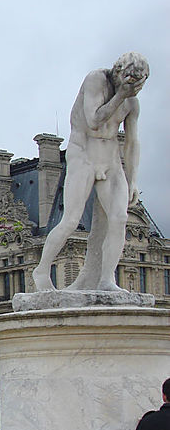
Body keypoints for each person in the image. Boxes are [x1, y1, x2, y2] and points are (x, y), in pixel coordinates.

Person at [32, 52, 149, 292]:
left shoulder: (131, 102)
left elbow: (132, 142)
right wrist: (121, 95)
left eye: (140, 84)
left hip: (111, 159)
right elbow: (94, 121)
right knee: (70, 221)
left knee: (119, 218)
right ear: (119, 73)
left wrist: (133, 179)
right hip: (83, 155)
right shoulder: (96, 79)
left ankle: (106, 279)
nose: (135, 89)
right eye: (132, 83)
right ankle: (41, 270)